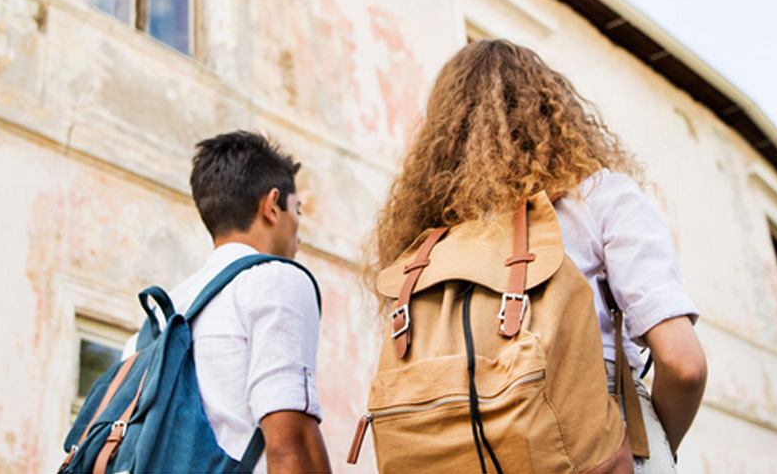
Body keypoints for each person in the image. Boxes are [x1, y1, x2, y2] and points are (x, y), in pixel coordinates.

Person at [363, 39, 708, 472]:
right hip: (599, 428)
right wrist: (652, 444)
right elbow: (683, 364)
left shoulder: (428, 246)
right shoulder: (600, 198)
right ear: (551, 109)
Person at [128, 130, 331, 473]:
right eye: (298, 209)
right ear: (272, 205)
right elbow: (289, 443)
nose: (299, 226)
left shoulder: (153, 325)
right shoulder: (277, 279)